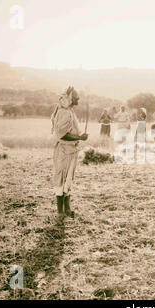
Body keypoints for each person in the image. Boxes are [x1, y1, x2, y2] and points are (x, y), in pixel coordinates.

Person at [50, 86, 88, 217]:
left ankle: (67, 209)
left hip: (71, 150)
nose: (78, 99)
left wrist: (79, 137)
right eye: (76, 97)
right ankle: (60, 211)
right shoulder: (64, 113)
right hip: (63, 151)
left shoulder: (70, 111)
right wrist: (79, 137)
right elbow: (62, 135)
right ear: (70, 99)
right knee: (61, 178)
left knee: (68, 178)